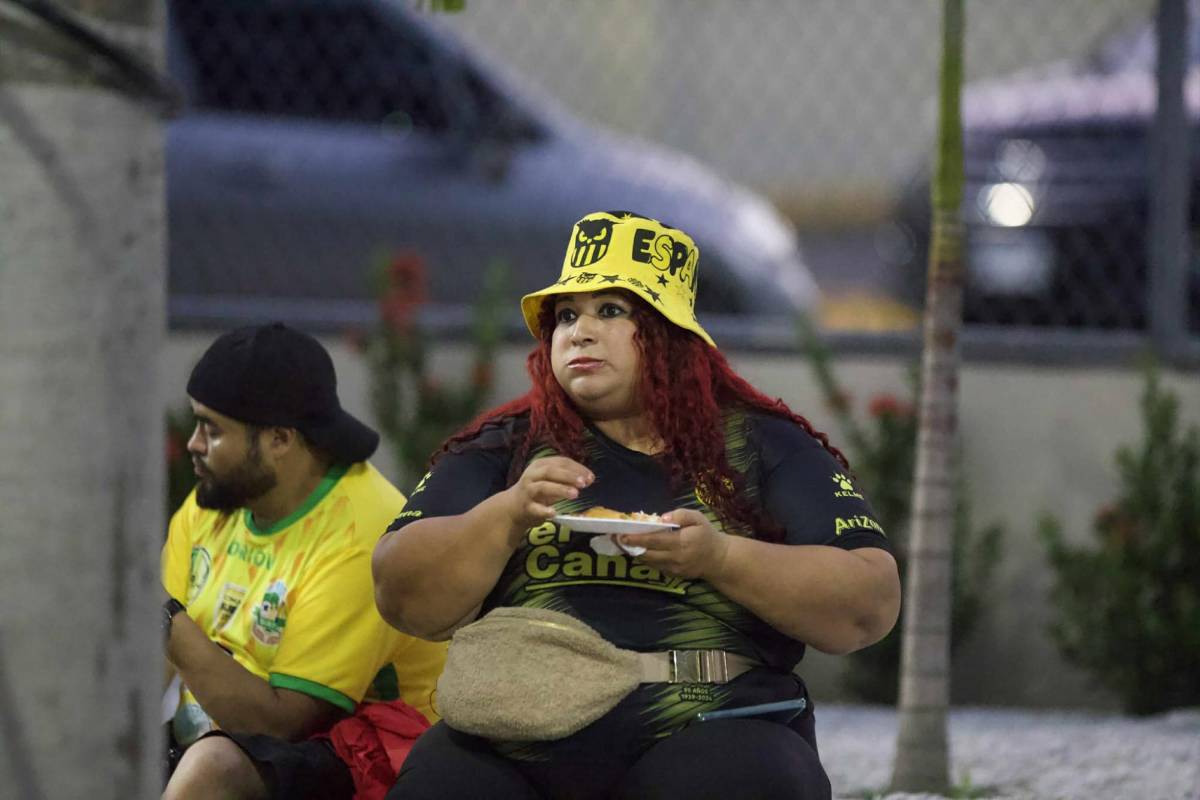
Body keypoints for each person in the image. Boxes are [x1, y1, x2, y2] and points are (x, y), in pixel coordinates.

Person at [372, 211, 902, 799]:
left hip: (708, 725)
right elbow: (400, 594)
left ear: (669, 337)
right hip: (517, 733)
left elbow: (869, 603)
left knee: (746, 780)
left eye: (611, 311)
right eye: (567, 315)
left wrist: (720, 558)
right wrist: (506, 516)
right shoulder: (504, 445)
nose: (580, 331)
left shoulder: (761, 443)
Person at [160, 322, 447, 800]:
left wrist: (161, 619)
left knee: (214, 767)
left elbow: (280, 723)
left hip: (370, 753)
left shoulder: (361, 533)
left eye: (212, 430)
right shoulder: (215, 501)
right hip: (216, 735)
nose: (193, 443)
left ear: (279, 440)